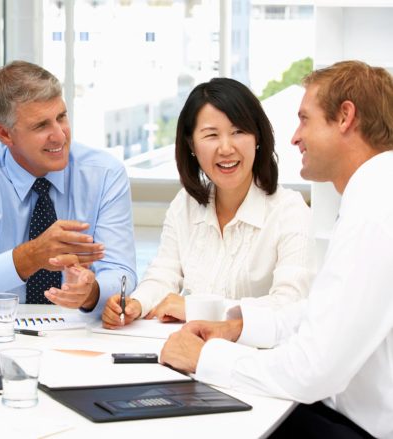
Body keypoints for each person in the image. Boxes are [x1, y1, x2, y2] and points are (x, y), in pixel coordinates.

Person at [160, 61, 393, 438]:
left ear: (345, 117)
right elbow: (323, 312)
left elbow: (314, 371)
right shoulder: (374, 195)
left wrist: (207, 358)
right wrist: (240, 328)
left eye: (305, 119)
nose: (295, 137)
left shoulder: (374, 212)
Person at [101, 78, 313, 328]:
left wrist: (197, 310)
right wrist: (135, 304)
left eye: (238, 132)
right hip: (191, 352)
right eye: (211, 135)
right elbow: (164, 274)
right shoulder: (186, 205)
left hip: (257, 359)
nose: (226, 148)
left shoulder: (289, 210)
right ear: (192, 145)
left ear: (257, 137)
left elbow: (290, 304)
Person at [0, 60, 136, 314]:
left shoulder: (105, 173)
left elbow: (122, 273)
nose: (60, 136)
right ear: (4, 134)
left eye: (61, 117)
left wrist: (90, 293)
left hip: (77, 332)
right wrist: (31, 257)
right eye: (41, 126)